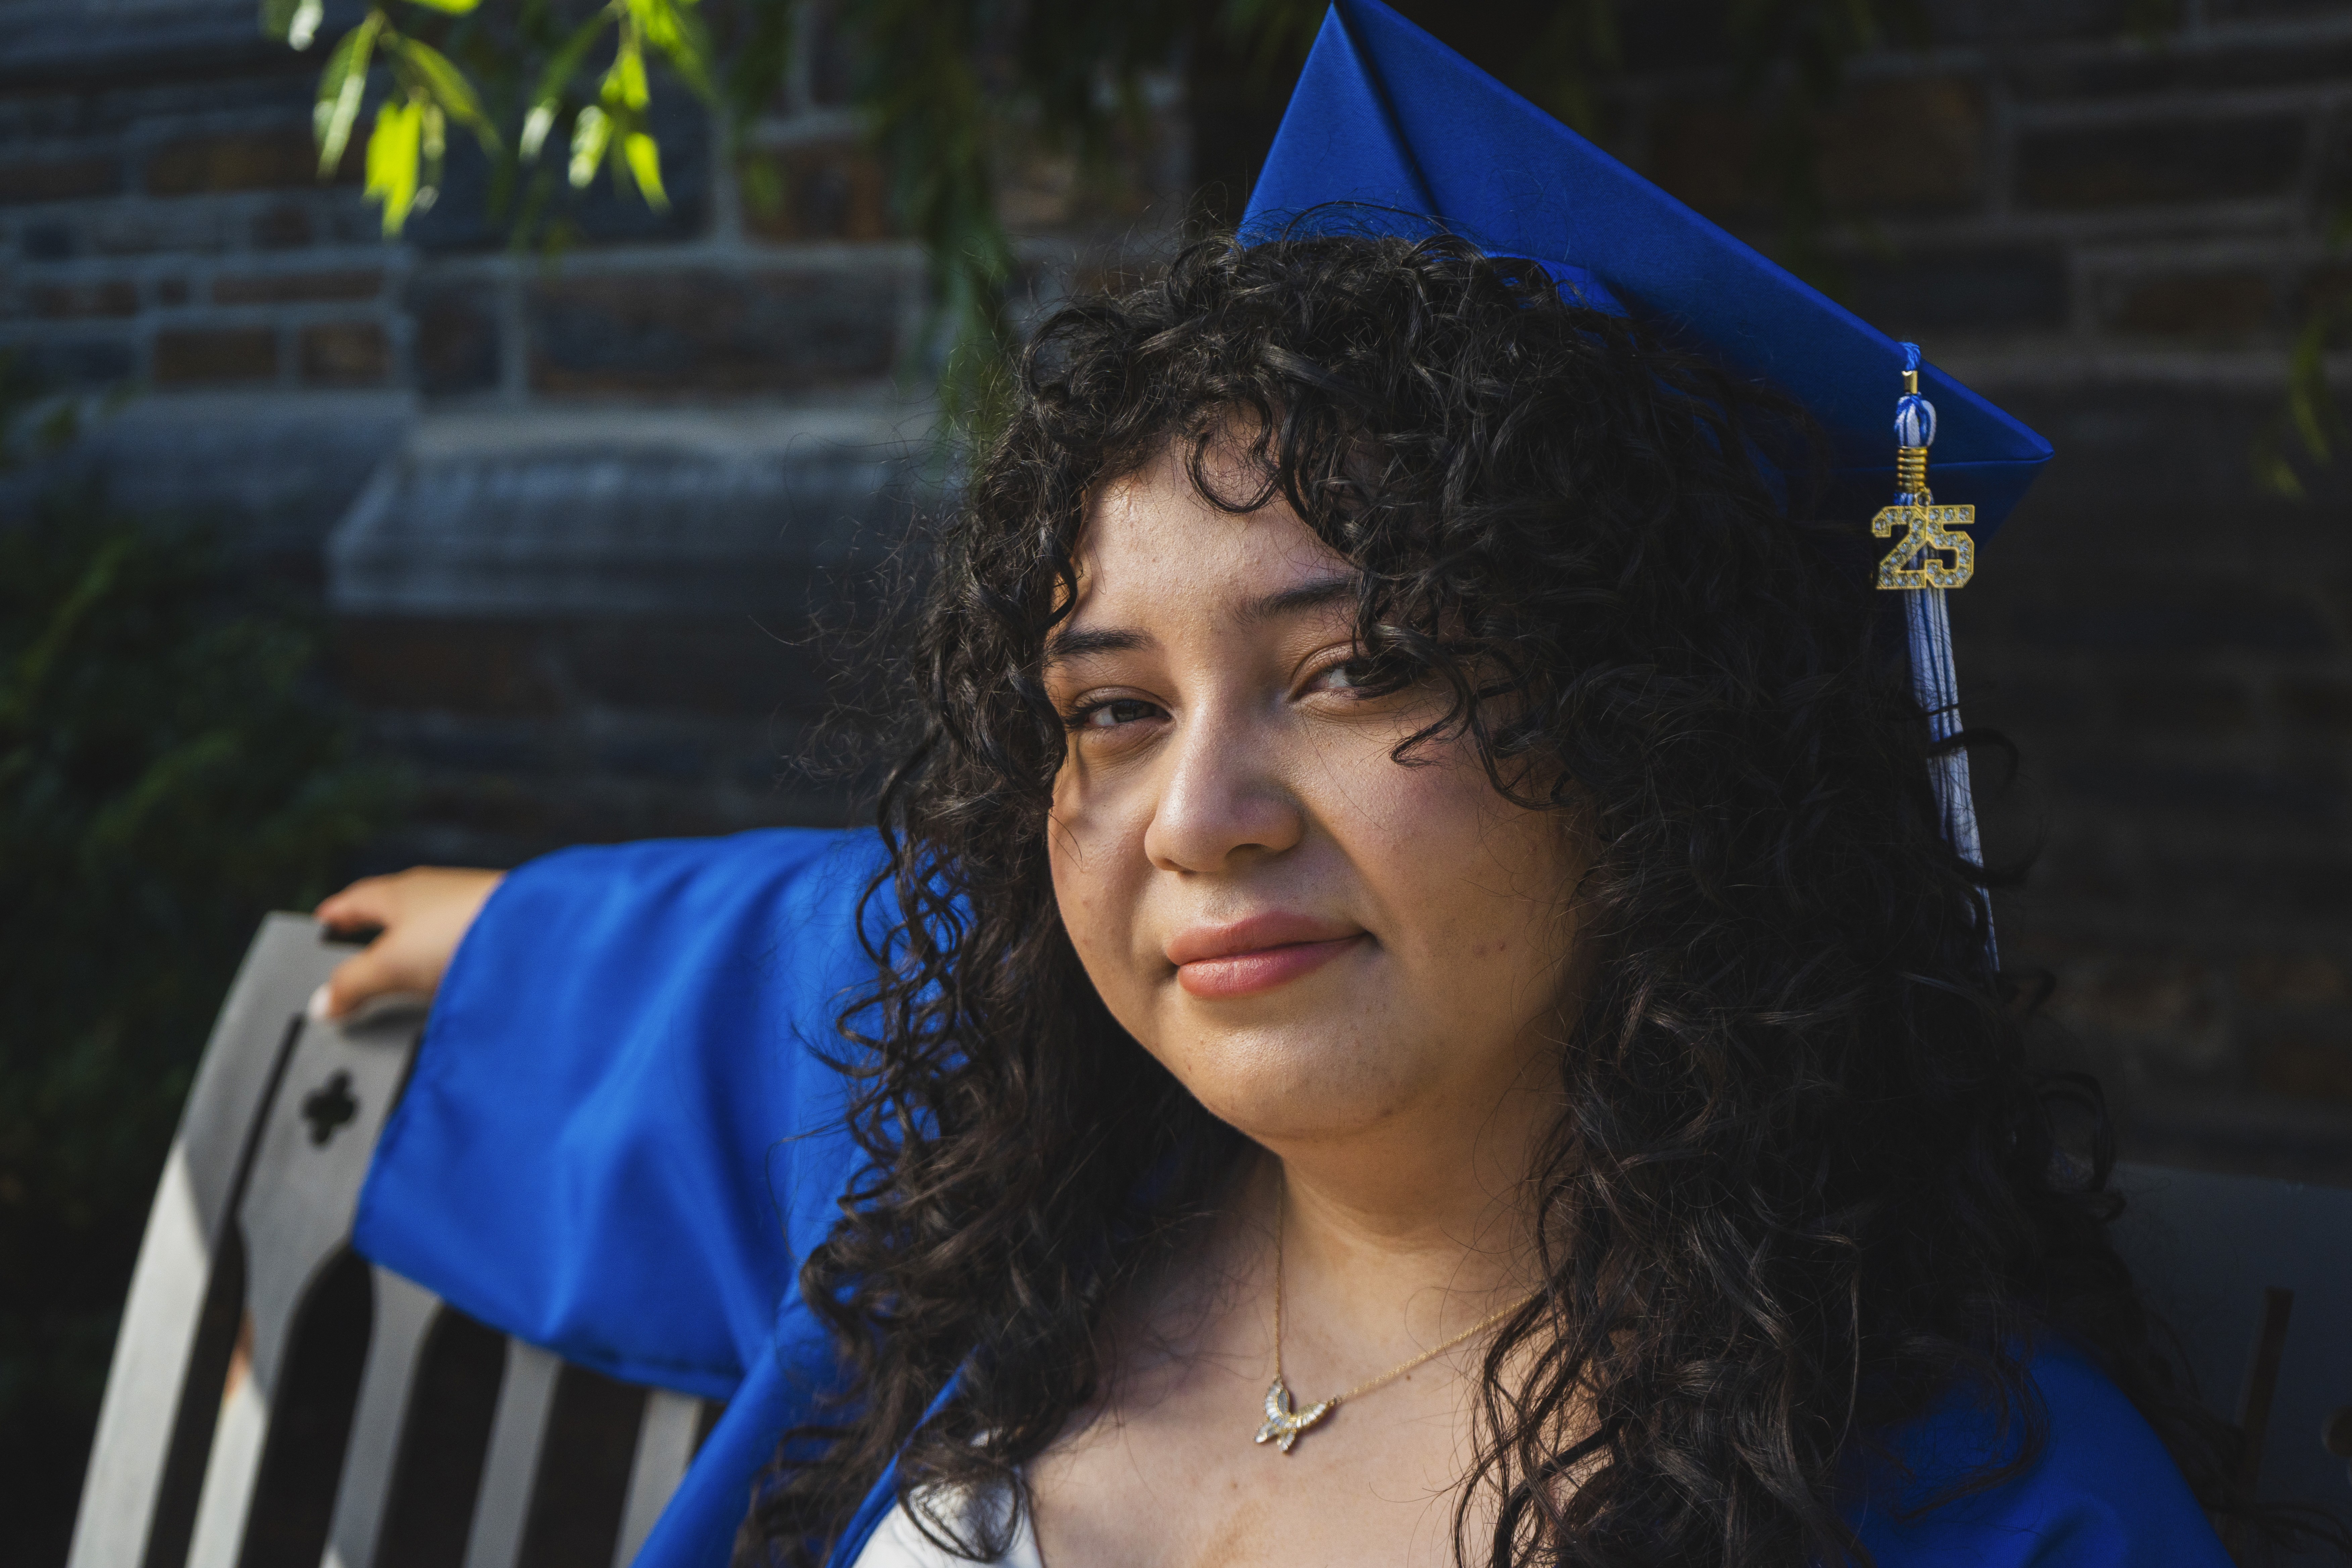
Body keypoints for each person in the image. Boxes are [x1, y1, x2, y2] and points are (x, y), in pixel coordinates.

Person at [313, 6, 2315, 1568]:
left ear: (1662, 750)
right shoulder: (995, 1205)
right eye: (1109, 710)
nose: (1200, 817)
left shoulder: (1959, 1507)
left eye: (1361, 668)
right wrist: (516, 928)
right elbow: (828, 942)